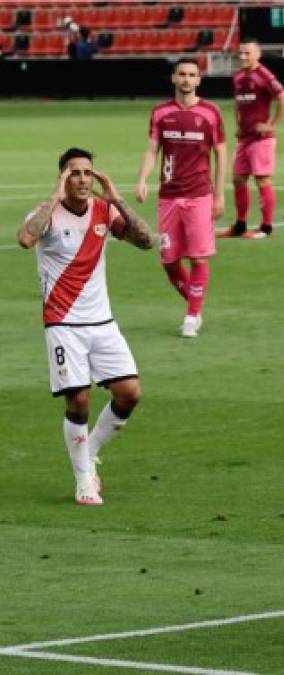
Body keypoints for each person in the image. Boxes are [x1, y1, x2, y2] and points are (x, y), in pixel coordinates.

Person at [17, 148, 155, 506]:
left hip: (102, 322)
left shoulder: (104, 211)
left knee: (130, 393)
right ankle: (83, 481)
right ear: (63, 178)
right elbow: (25, 238)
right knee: (78, 399)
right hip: (63, 323)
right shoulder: (47, 214)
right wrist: (54, 195)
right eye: (74, 173)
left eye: (87, 173)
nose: (82, 179)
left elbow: (146, 241)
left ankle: (88, 450)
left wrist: (118, 200)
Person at [136, 57, 227, 338]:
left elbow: (221, 153)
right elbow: (152, 150)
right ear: (173, 78)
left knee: (198, 258)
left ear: (199, 80)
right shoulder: (161, 113)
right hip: (168, 196)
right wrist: (142, 180)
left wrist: (220, 194)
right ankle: (195, 305)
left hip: (199, 195)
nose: (187, 79)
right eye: (182, 74)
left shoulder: (211, 113)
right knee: (169, 261)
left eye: (192, 75)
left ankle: (191, 316)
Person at [219, 39, 284, 240]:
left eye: (247, 53)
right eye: (240, 53)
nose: (242, 57)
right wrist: (237, 124)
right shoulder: (239, 76)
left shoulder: (264, 75)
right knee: (238, 179)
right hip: (245, 137)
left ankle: (266, 228)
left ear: (257, 54)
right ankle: (240, 225)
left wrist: (271, 125)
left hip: (261, 139)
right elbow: (237, 102)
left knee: (262, 180)